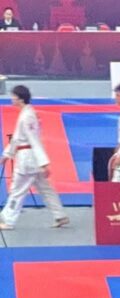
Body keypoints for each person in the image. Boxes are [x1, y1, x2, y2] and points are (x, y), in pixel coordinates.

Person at [0, 85, 69, 231]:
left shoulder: (28, 116)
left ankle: (8, 220)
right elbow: (17, 139)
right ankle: (60, 215)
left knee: (18, 190)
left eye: (13, 96)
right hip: (30, 159)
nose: (11, 99)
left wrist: (44, 162)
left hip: (28, 160)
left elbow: (34, 140)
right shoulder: (26, 114)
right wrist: (6, 155)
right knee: (45, 189)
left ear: (20, 98)